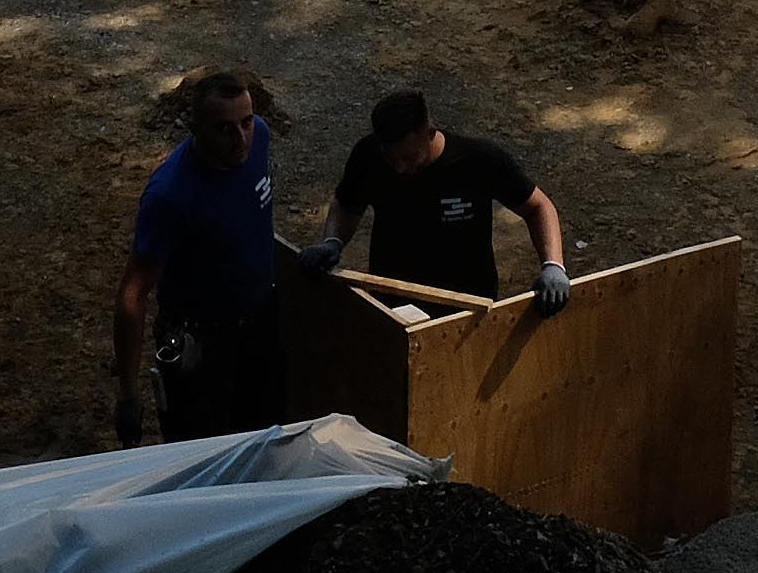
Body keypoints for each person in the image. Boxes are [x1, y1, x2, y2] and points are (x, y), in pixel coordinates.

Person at [113, 66, 282, 447]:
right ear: (197, 129)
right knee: (202, 450)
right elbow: (133, 293)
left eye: (247, 121)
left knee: (264, 437)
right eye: (225, 128)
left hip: (259, 325)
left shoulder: (261, 141)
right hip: (201, 346)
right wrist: (128, 395)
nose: (240, 139)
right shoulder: (170, 196)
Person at [298, 90, 570, 313]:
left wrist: (553, 265)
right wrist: (332, 240)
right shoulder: (368, 156)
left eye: (410, 158)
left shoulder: (478, 161)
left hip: (466, 308)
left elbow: (538, 207)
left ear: (429, 133)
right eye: (392, 159)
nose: (401, 169)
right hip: (392, 303)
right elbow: (347, 203)